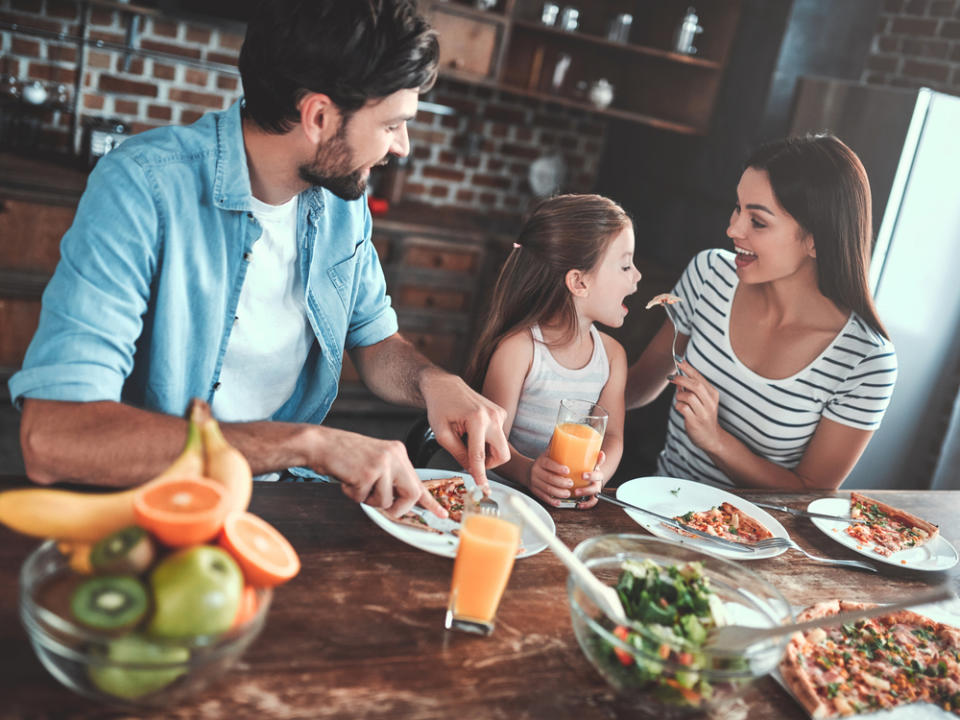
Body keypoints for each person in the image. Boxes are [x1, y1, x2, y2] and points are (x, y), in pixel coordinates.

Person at [8, 0, 508, 519]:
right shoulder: (142, 189)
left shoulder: (342, 199)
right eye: (391, 125)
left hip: (280, 497)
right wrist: (307, 443)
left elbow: (373, 337)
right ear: (318, 116)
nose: (402, 147)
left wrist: (434, 382)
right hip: (152, 504)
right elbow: (54, 439)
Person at [625, 133, 897, 490]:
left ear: (817, 239)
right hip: (655, 509)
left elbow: (810, 493)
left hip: (759, 541)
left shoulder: (866, 362)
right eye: (738, 208)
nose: (732, 229)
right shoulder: (710, 274)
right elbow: (641, 383)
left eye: (759, 221)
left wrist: (715, 440)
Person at [464, 194, 640, 508]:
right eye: (625, 265)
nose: (637, 277)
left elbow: (612, 437)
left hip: (563, 508)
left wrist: (598, 475)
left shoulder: (612, 358)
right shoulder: (520, 350)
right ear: (579, 282)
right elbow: (491, 444)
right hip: (503, 502)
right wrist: (529, 471)